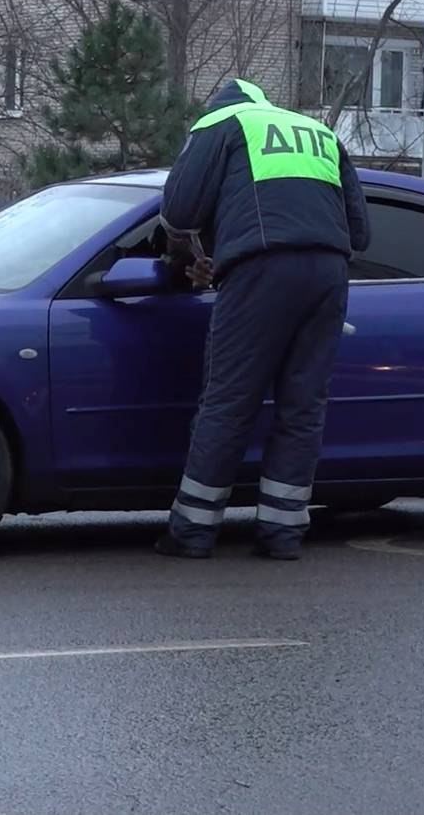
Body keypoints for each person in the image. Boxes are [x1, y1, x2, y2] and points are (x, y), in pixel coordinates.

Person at [153, 78, 370, 561]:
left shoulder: (219, 123)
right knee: (303, 405)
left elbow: (179, 213)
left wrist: (196, 251)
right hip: (329, 273)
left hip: (261, 268)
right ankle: (281, 532)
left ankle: (192, 530)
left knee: (228, 399)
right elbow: (361, 232)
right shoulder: (318, 131)